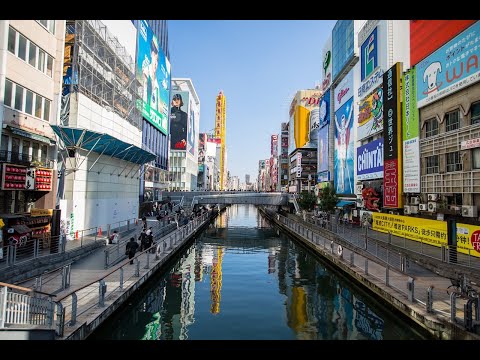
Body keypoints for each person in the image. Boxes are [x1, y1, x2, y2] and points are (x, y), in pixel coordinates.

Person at [334, 104, 353, 194]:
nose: (342, 122)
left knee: (344, 165)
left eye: (343, 120)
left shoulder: (345, 128)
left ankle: (343, 185)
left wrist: (352, 108)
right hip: (340, 148)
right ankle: (341, 185)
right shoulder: (340, 129)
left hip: (344, 147)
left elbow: (349, 119)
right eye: (341, 121)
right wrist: (335, 119)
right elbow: (337, 124)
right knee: (341, 166)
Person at [141, 35, 160, 114]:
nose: (156, 62)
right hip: (141, 112)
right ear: (151, 54)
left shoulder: (157, 85)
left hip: (152, 118)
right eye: (154, 53)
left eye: (157, 59)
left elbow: (157, 110)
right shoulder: (145, 72)